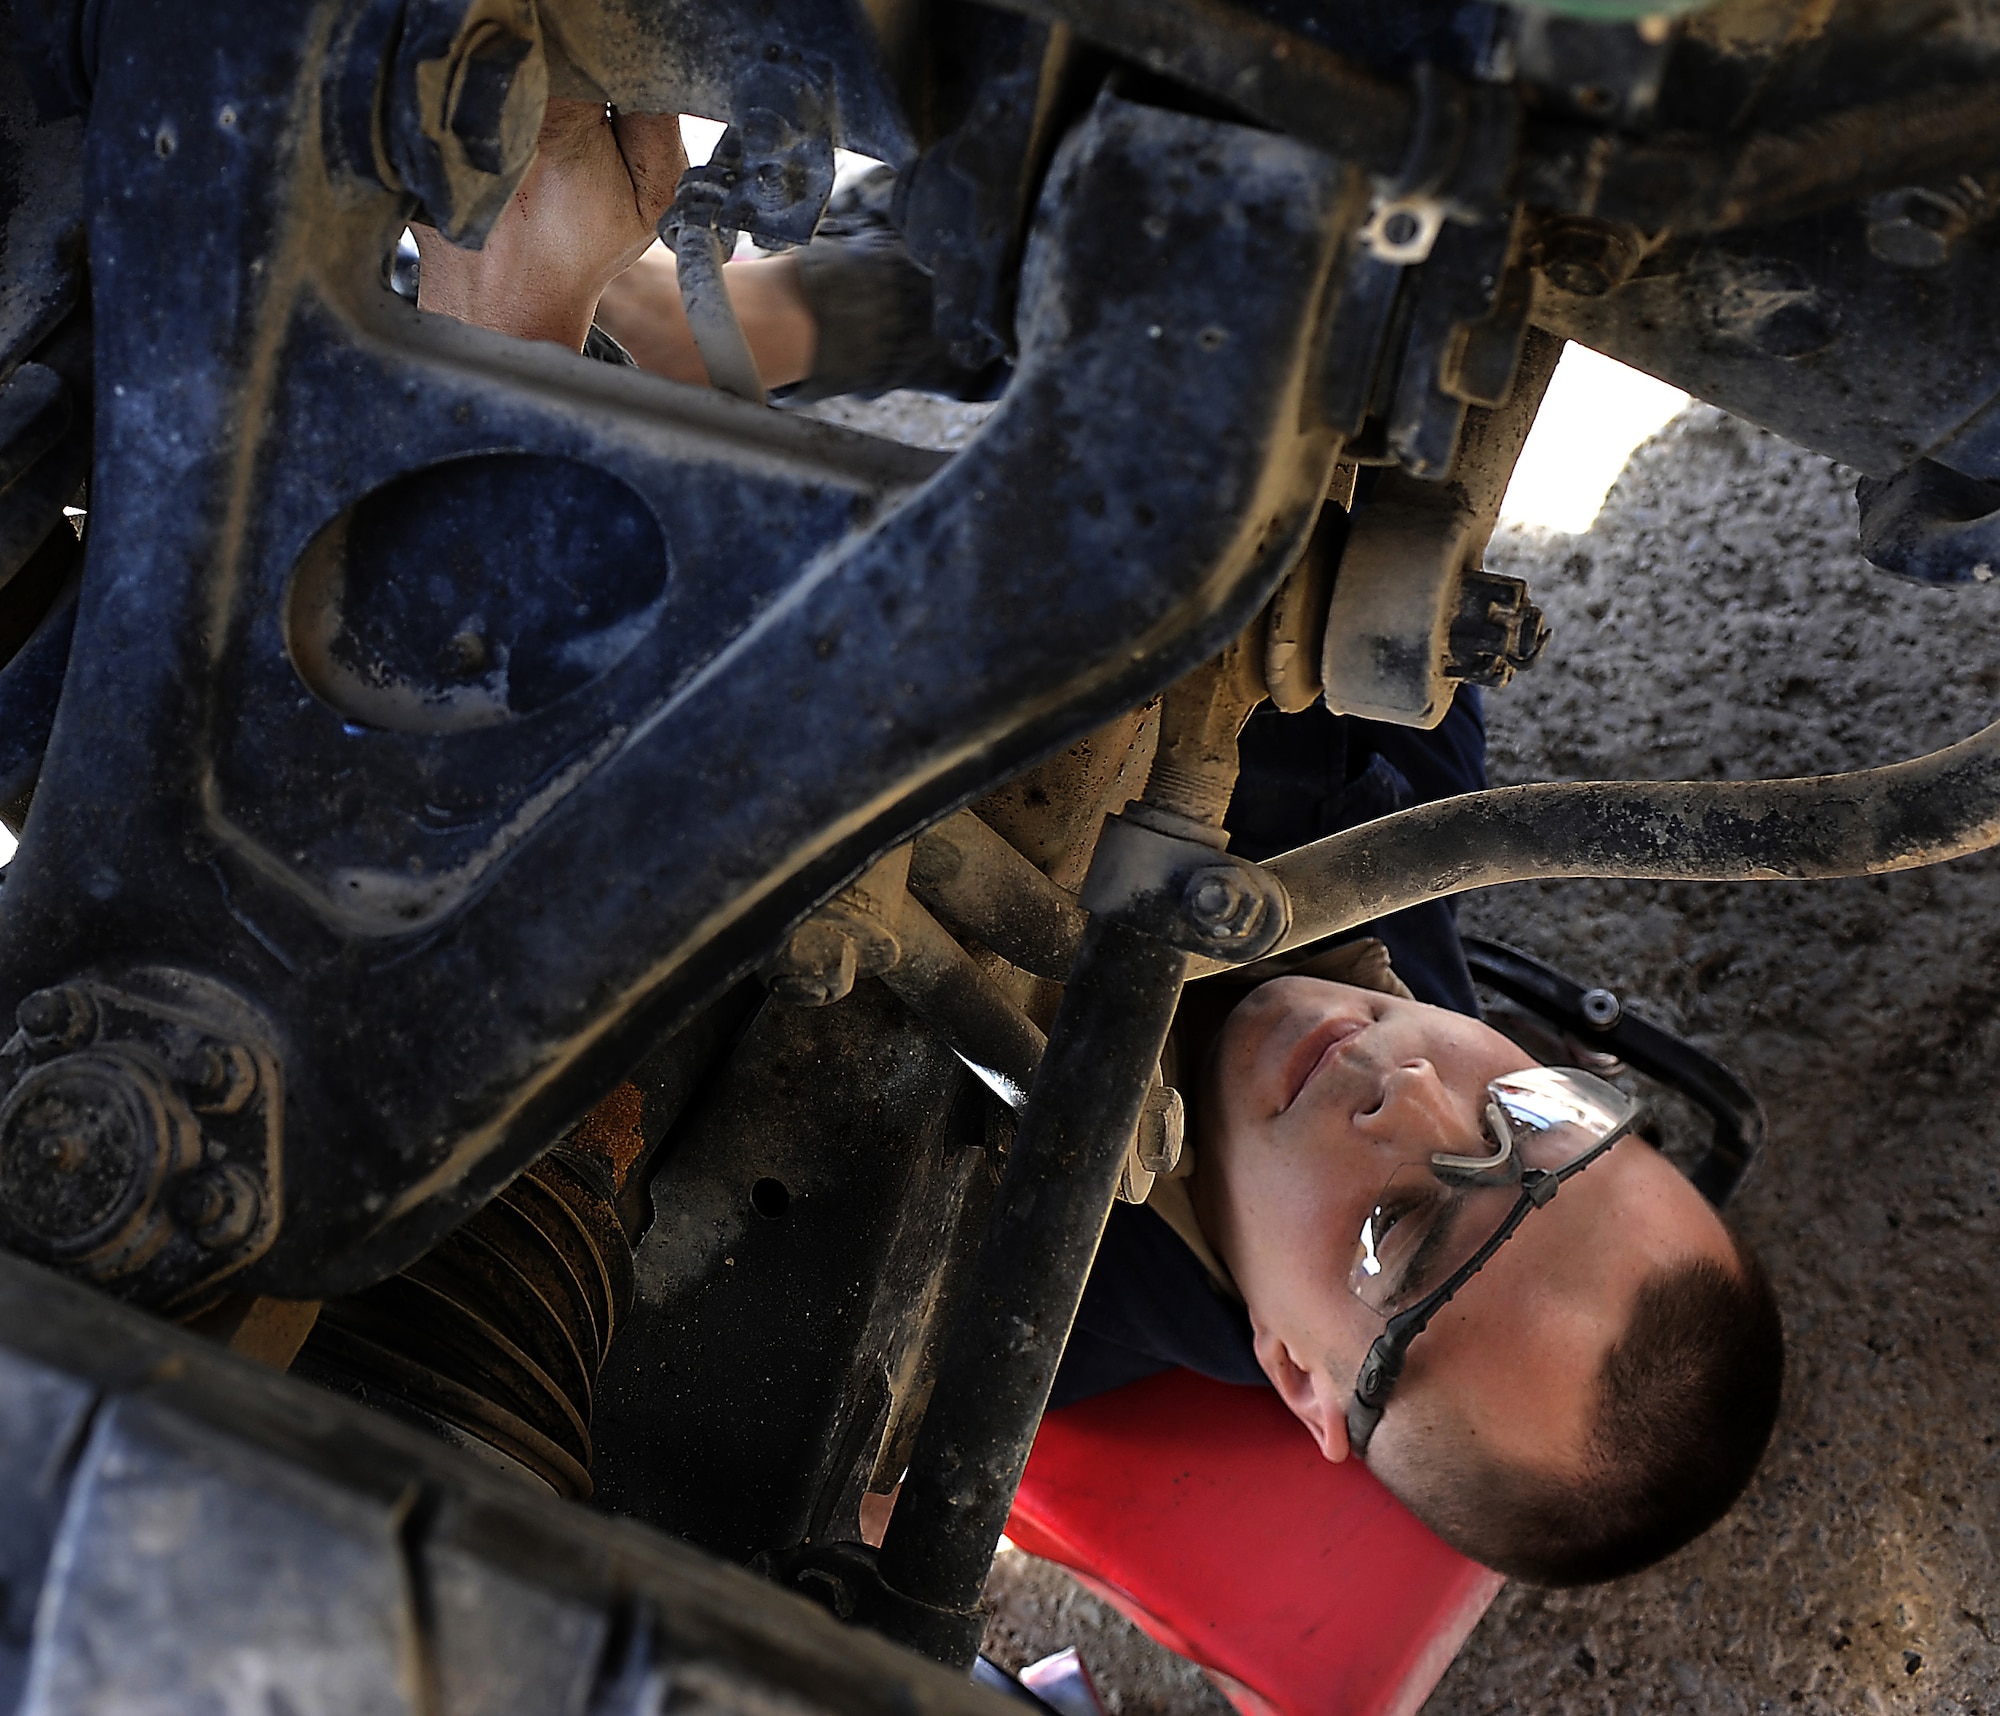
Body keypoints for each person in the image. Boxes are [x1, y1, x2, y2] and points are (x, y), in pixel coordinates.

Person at [412, 104, 1784, 1587]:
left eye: (1394, 1234)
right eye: (1530, 1115)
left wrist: (504, 350)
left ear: (1300, 1377)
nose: (1410, 1093)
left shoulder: (949, 1315)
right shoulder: (1397, 812)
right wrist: (712, 331)